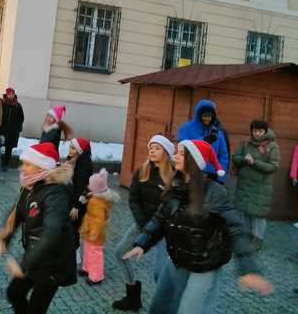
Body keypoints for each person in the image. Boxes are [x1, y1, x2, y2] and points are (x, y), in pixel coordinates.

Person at [124, 140, 272, 314]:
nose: (174, 156)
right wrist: (142, 243)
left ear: (193, 160)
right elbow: (160, 218)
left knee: (190, 310)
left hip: (205, 264)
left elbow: (236, 229)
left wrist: (249, 270)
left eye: (180, 153)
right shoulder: (175, 186)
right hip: (178, 259)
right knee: (160, 307)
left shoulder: (214, 192)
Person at [0, 142, 77, 313]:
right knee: (14, 293)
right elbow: (17, 213)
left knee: (36, 309)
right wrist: (3, 237)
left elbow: (51, 233)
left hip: (54, 261)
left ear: (42, 167)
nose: (22, 168)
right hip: (36, 255)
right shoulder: (31, 185)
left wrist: (23, 266)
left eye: (28, 164)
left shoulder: (55, 193)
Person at [112, 134, 174, 311]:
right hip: (142, 224)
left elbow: (171, 207)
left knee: (160, 273)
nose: (152, 150)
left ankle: (167, 307)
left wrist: (155, 227)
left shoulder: (174, 177)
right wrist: (143, 224)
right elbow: (133, 199)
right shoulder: (142, 171)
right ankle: (132, 297)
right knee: (120, 254)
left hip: (164, 231)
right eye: (151, 147)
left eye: (157, 148)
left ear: (166, 153)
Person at [233, 121, 280, 251]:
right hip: (244, 184)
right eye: (254, 131)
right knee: (245, 212)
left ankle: (257, 240)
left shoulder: (272, 146)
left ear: (265, 131)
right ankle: (247, 237)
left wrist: (255, 162)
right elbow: (235, 158)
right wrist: (243, 159)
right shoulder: (246, 142)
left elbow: (273, 166)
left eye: (260, 131)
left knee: (258, 215)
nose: (257, 134)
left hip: (261, 187)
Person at [78, 168, 120, 285]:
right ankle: (87, 269)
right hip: (90, 228)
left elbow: (98, 220)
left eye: (90, 185)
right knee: (88, 249)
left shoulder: (97, 202)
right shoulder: (95, 197)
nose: (88, 186)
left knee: (95, 252)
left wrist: (94, 233)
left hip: (94, 231)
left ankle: (96, 276)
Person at [177, 99, 229, 182]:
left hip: (211, 175)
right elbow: (183, 147)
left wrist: (221, 178)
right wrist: (204, 141)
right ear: (198, 115)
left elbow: (223, 156)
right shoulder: (186, 128)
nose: (207, 119)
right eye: (204, 116)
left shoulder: (218, 134)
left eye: (210, 116)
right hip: (191, 172)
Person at [66, 138, 94, 255]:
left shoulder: (83, 167)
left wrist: (76, 206)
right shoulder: (75, 161)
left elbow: (85, 189)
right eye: (70, 147)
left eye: (73, 148)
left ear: (80, 151)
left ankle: (74, 255)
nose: (70, 150)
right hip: (72, 201)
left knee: (73, 229)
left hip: (78, 204)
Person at [2, 87, 24, 170]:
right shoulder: (2, 103)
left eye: (12, 94)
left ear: (14, 95)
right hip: (3, 129)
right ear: (6, 95)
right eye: (9, 94)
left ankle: (5, 164)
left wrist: (19, 126)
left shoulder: (17, 105)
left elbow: (21, 117)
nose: (10, 96)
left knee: (9, 147)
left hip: (12, 131)